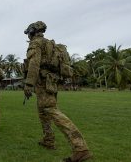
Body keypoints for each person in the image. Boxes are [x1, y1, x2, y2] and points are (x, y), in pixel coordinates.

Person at [23, 21, 92, 162]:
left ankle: (80, 148)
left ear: (31, 32)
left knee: (51, 110)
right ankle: (48, 140)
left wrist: (28, 83)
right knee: (43, 112)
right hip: (51, 82)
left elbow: (34, 64)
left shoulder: (36, 43)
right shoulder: (50, 44)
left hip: (43, 83)